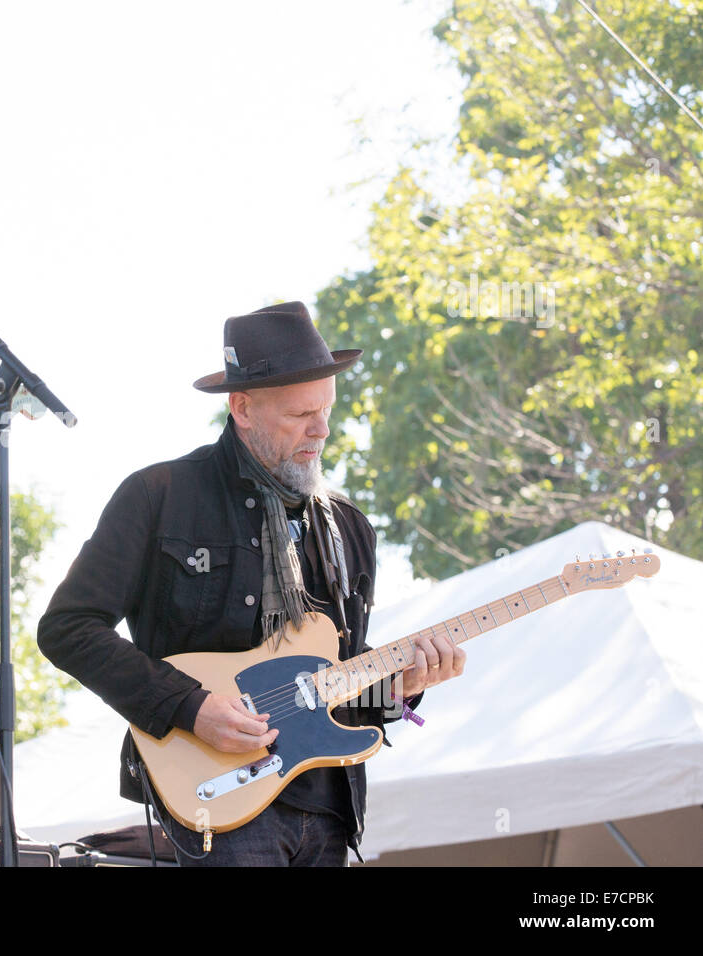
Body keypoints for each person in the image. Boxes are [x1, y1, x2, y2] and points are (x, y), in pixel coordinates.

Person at [37, 302, 465, 866]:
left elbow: (336, 683)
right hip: (216, 801)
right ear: (242, 407)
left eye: (327, 411)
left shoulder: (349, 527)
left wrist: (402, 686)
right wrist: (190, 707)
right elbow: (67, 629)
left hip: (328, 807)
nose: (322, 430)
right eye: (300, 415)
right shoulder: (158, 495)